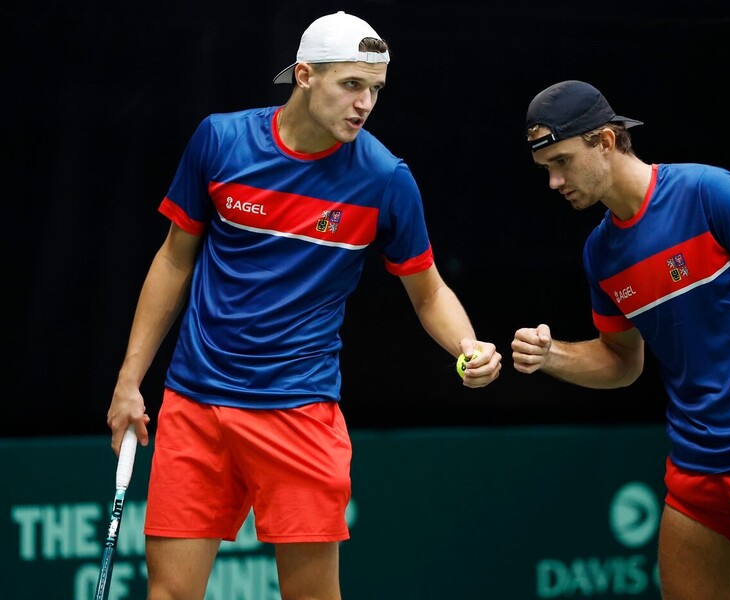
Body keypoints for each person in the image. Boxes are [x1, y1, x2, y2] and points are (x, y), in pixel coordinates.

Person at [105, 10, 501, 599]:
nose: (365, 103)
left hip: (300, 411)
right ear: (304, 75)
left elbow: (429, 289)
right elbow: (173, 259)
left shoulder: (385, 178)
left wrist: (468, 346)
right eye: (351, 84)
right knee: (170, 594)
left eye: (375, 89)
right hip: (196, 403)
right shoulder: (221, 141)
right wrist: (130, 379)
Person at [511, 80, 730, 600]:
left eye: (561, 162)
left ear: (604, 141)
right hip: (699, 467)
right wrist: (550, 355)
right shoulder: (601, 254)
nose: (555, 181)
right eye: (546, 169)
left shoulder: (708, 193)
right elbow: (622, 362)